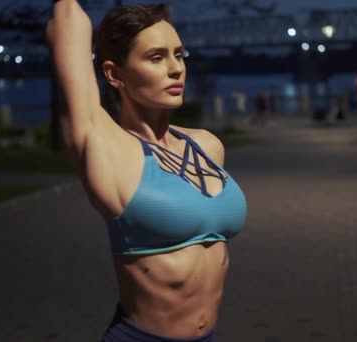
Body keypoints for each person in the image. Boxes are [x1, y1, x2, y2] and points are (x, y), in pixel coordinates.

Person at [46, 2, 247, 341]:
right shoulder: (106, 147)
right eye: (156, 58)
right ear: (114, 74)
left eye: (179, 55)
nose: (175, 69)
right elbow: (67, 20)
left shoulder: (207, 146)